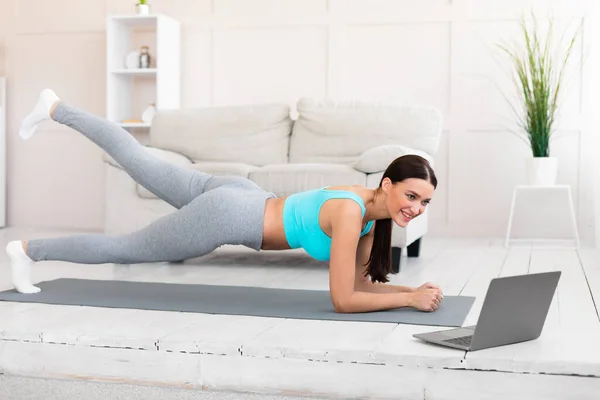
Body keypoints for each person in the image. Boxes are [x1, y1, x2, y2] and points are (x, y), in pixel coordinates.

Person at [5, 89, 444, 313]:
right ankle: (26, 251)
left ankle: (56, 107)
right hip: (230, 215)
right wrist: (407, 301)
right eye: (411, 195)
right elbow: (343, 300)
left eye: (424, 202)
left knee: (136, 158)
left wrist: (412, 291)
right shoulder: (352, 215)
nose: (416, 208)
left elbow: (361, 285)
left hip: (241, 194)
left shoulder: (369, 214)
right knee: (126, 249)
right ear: (386, 184)